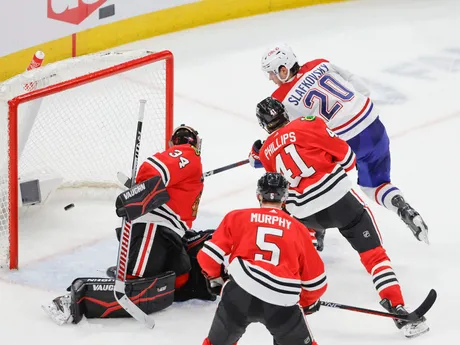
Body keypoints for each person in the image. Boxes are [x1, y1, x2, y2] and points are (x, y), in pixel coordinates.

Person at [252, 97, 429, 338]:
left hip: (304, 214)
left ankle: (304, 264)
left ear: (264, 124)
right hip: (339, 204)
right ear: (283, 112)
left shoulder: (266, 151)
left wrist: (259, 154)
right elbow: (348, 159)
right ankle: (397, 308)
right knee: (374, 255)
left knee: (297, 224)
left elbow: (277, 185)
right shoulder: (308, 122)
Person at [42, 125, 217, 325]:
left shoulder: (191, 167)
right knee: (134, 286)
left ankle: (128, 272)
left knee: (179, 282)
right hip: (153, 228)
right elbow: (154, 169)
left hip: (170, 233)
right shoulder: (190, 154)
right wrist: (139, 192)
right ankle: (75, 301)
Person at [255, 44, 428, 244]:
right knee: (376, 185)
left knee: (305, 175)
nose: (271, 78)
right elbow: (362, 87)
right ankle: (401, 206)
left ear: (283, 69)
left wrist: (261, 153)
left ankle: (312, 231)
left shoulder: (280, 99)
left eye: (272, 73)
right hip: (374, 126)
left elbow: (290, 139)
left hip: (347, 141)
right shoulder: (320, 64)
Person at [197, 172, 327, 345]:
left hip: (240, 292)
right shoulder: (299, 229)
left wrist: (217, 280)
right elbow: (316, 283)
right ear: (285, 197)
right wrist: (305, 302)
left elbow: (206, 257)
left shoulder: (237, 217)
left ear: (258, 195)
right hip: (282, 299)